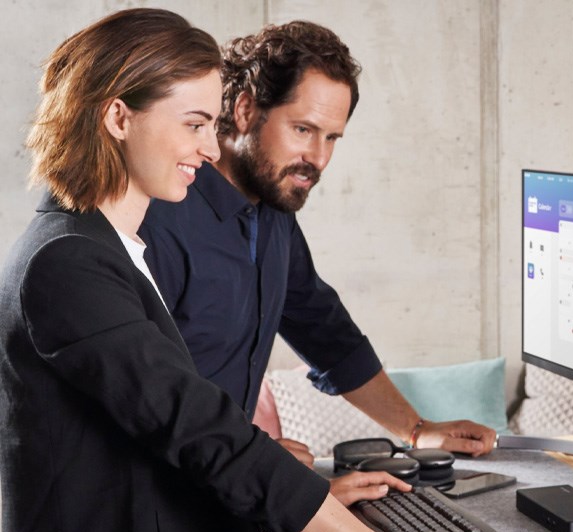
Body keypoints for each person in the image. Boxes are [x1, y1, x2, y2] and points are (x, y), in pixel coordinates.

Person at [0, 10, 541, 532]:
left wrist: (312, 467)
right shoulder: (69, 263)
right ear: (118, 117)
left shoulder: (119, 245)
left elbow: (313, 333)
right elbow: (201, 431)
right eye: (194, 124)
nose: (207, 149)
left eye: (333, 137)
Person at [139, 21, 496, 463]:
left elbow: (326, 332)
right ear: (247, 110)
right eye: (303, 130)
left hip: (226, 496)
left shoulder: (273, 214)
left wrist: (417, 430)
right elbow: (140, 396)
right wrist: (256, 460)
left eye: (332, 138)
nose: (320, 159)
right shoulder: (158, 217)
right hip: (156, 503)